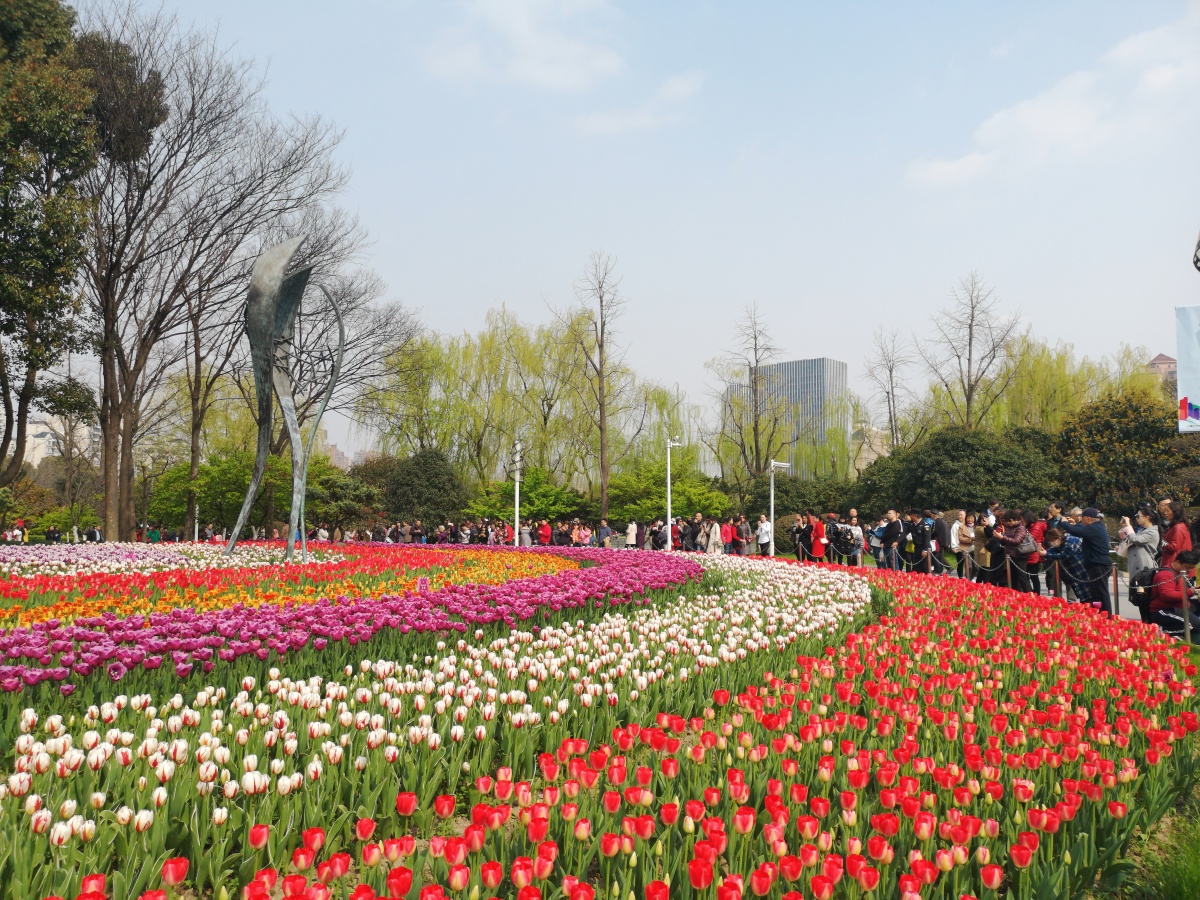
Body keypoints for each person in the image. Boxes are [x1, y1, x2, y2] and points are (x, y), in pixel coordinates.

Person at [1062, 507, 1113, 614]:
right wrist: (1074, 524)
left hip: (1099, 565)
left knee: (1101, 593)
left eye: (1082, 518)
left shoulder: (1094, 528)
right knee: (1096, 593)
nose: (1081, 520)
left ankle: (1107, 616)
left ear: (1089, 518)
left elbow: (1076, 531)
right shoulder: (1096, 527)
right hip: (1097, 565)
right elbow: (1080, 529)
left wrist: (1064, 523)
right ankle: (1099, 614)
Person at [1148, 549, 1200, 642]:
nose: (1189, 570)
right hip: (1163, 610)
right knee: (1196, 624)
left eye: (1192, 568)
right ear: (1178, 562)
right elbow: (1167, 595)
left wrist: (1194, 590)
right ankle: (1166, 632)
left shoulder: (1178, 572)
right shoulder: (1165, 574)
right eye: (1187, 567)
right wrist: (1191, 592)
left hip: (1179, 605)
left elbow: (1180, 591)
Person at [1040, 527, 1094, 605]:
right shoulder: (1062, 541)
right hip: (1075, 571)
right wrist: (1046, 552)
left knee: (1088, 595)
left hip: (1082, 570)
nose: (1052, 543)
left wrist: (1046, 554)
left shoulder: (1070, 541)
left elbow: (1064, 555)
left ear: (1058, 538)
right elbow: (1054, 549)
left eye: (1052, 541)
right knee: (1083, 596)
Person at [1119, 507, 1161, 585]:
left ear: (1146, 518)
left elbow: (1135, 539)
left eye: (1138, 516)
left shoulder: (1152, 532)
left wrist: (1128, 525)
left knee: (1142, 594)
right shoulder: (1142, 530)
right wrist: (1125, 527)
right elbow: (1128, 539)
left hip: (1144, 568)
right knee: (1134, 593)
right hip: (1136, 566)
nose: (1136, 519)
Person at [994, 510, 1034, 593]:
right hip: (1010, 556)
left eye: (1009, 521)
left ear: (1013, 519)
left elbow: (1017, 541)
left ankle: (1030, 595)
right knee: (1013, 579)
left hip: (1019, 556)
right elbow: (1006, 542)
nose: (1007, 523)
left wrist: (1002, 537)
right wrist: (999, 537)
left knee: (1022, 578)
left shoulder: (1020, 528)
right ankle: (1016, 595)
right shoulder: (1009, 528)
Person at [1160, 501, 1192, 569]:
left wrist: (1161, 542)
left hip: (1174, 562)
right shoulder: (1177, 526)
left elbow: (1174, 547)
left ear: (1175, 512)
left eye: (1168, 511)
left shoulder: (1178, 527)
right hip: (1174, 561)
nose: (1165, 513)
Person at [931, 510, 952, 576]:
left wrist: (930, 535)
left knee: (936, 556)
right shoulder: (944, 522)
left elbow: (935, 531)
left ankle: (937, 569)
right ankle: (940, 570)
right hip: (943, 541)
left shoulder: (937, 521)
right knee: (940, 556)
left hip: (939, 541)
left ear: (934, 515)